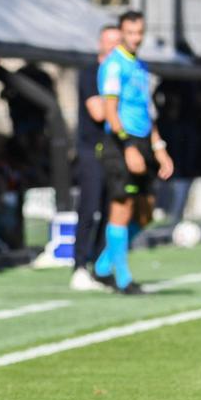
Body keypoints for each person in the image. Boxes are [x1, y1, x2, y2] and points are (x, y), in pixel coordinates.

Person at [92, 11, 173, 294]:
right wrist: (128, 147)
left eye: (140, 33)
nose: (135, 38)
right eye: (130, 33)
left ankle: (102, 266)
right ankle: (123, 279)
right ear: (122, 33)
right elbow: (111, 112)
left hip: (142, 142)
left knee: (145, 212)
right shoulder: (114, 66)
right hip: (120, 142)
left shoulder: (140, 67)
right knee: (122, 207)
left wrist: (159, 148)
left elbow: (147, 113)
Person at [70, 25, 121, 291]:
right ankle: (79, 266)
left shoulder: (121, 74)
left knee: (111, 208)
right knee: (88, 208)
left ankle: (99, 266)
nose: (113, 47)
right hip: (91, 149)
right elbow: (99, 112)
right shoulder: (91, 73)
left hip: (114, 150)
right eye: (109, 41)